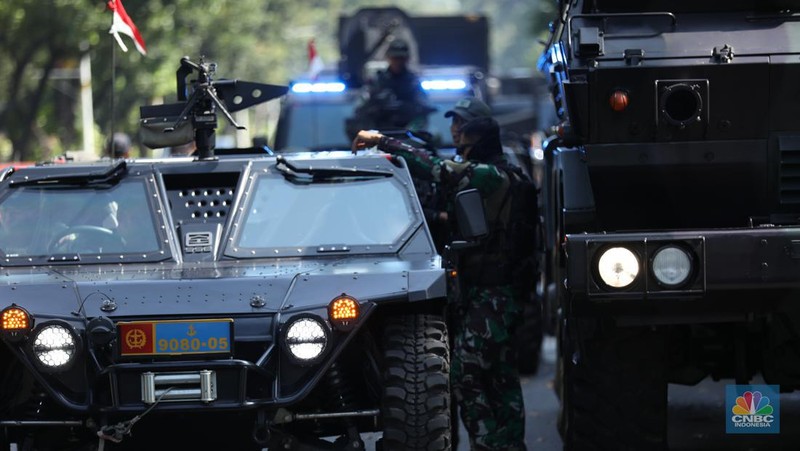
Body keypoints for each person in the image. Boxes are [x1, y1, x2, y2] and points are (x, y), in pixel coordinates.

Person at [352, 117, 527, 450]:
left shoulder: (490, 174)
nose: (457, 133)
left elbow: (438, 169)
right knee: (498, 376)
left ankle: (490, 443)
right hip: (482, 291)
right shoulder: (486, 173)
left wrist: (384, 141)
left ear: (481, 136)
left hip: (494, 293)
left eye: (464, 128)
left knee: (467, 372)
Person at [346, 38, 433, 136]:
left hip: (407, 135)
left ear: (407, 58)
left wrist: (406, 108)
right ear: (388, 57)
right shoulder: (376, 82)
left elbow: (424, 109)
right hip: (379, 135)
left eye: (401, 58)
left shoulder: (413, 82)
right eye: (395, 58)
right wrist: (377, 107)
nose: (398, 62)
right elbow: (360, 109)